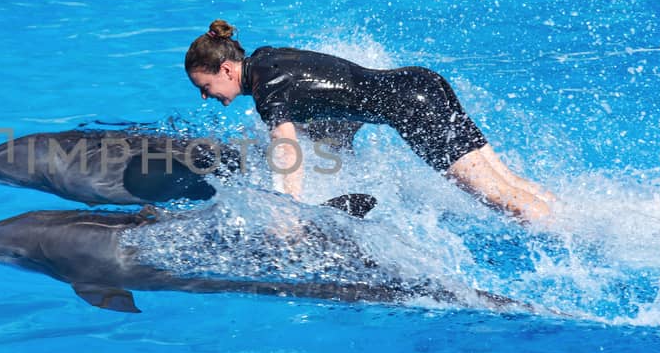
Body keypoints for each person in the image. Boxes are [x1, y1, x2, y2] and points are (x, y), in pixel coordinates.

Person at [184, 19, 554, 223]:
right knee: (509, 183)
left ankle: (570, 237)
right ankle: (568, 217)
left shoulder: (267, 88)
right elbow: (336, 89)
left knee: (499, 199)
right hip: (421, 82)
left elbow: (285, 149)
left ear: (226, 69)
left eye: (205, 86)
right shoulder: (267, 58)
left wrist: (287, 211)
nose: (206, 96)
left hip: (412, 106)